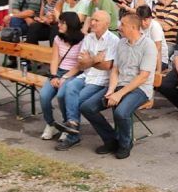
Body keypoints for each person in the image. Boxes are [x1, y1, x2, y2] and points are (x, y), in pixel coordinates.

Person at [78, 13, 155, 160]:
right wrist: (111, 90)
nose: (119, 27)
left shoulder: (148, 45)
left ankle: (125, 144)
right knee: (87, 107)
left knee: (121, 112)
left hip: (140, 89)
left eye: (123, 25)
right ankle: (111, 140)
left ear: (133, 27)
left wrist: (119, 94)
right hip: (119, 86)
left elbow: (143, 77)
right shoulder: (121, 43)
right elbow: (115, 70)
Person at [52, 10, 118, 150]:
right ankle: (72, 124)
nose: (92, 23)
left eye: (96, 20)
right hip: (86, 75)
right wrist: (96, 59)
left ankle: (72, 133)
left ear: (106, 24)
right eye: (92, 19)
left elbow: (107, 66)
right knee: (68, 88)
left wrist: (90, 60)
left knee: (78, 99)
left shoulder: (113, 40)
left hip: (101, 80)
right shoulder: (88, 38)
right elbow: (81, 63)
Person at [38, 12, 85, 140]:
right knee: (43, 96)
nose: (58, 25)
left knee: (61, 95)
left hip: (73, 73)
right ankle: (50, 124)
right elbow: (54, 59)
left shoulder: (83, 41)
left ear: (70, 24)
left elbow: (80, 65)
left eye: (62, 23)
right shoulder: (58, 38)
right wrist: (53, 76)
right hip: (58, 72)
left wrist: (64, 78)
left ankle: (67, 125)